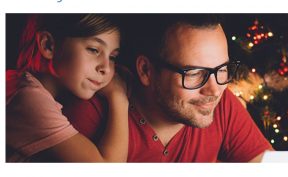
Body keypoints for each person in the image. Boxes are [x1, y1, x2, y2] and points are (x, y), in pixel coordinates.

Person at [63, 14, 272, 162]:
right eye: (194, 73)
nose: (214, 90)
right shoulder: (89, 116)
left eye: (223, 69)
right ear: (146, 70)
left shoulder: (221, 103)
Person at [6, 14, 129, 162]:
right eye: (94, 50)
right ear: (48, 45)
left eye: (112, 57)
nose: (106, 68)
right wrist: (119, 99)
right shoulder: (28, 98)